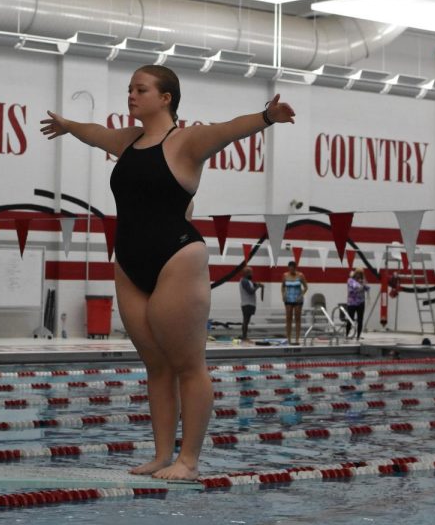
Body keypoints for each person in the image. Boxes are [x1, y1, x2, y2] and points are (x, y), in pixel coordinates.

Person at [40, 65, 295, 480]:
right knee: (155, 365)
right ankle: (162, 455)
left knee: (188, 364)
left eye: (140, 89)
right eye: (129, 89)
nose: (131, 95)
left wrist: (266, 117)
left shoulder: (186, 141)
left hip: (177, 258)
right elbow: (95, 133)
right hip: (128, 262)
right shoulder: (128, 141)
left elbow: (229, 129)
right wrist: (68, 125)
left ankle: (188, 460)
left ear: (166, 98)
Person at [281, 259, 307, 345]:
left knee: (297, 319)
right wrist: (283, 294)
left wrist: (301, 295)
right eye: (290, 269)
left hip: (298, 300)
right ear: (288, 268)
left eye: (293, 269)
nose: (291, 270)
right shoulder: (285, 275)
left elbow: (306, 287)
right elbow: (283, 287)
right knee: (288, 318)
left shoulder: (300, 275)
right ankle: (288, 338)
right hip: (288, 299)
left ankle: (297, 338)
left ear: (295, 268)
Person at [239, 266, 263, 342]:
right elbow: (250, 291)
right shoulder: (244, 281)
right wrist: (258, 287)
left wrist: (258, 285)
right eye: (251, 272)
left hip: (249, 303)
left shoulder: (248, 281)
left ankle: (244, 336)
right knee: (246, 320)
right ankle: (244, 336)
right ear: (247, 273)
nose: (252, 274)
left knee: (247, 320)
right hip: (247, 303)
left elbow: (253, 285)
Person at [345, 267, 369, 340]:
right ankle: (347, 333)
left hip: (361, 302)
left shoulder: (362, 281)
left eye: (360, 274)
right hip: (352, 303)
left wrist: (364, 284)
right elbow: (351, 290)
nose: (359, 275)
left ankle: (358, 335)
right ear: (355, 274)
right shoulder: (350, 280)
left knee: (360, 319)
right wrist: (361, 287)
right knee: (350, 319)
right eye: (358, 273)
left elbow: (367, 288)